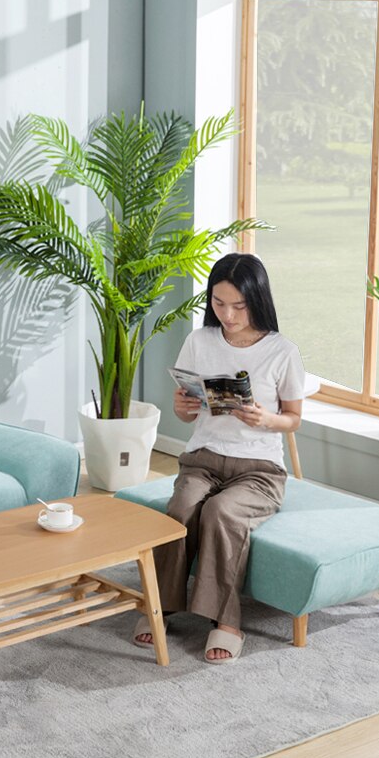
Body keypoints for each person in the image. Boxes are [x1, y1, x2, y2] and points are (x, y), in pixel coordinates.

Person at [134, 253, 305, 663]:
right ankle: (161, 606)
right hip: (203, 459)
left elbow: (294, 419)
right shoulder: (199, 341)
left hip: (259, 470)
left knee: (222, 514)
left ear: (257, 300)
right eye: (218, 303)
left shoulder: (282, 351)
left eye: (238, 306)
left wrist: (266, 418)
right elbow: (183, 411)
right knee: (180, 509)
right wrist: (183, 406)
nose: (227, 314)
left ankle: (226, 622)